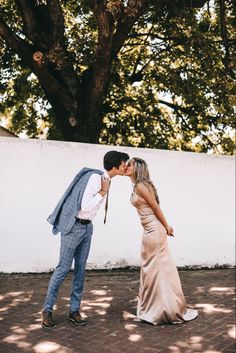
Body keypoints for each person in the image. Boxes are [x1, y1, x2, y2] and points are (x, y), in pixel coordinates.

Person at [41, 150, 129, 328]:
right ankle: (47, 310)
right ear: (115, 165)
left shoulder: (105, 179)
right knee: (63, 269)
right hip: (74, 227)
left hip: (87, 227)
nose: (125, 167)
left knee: (80, 271)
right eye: (123, 164)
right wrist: (103, 192)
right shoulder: (96, 179)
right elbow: (85, 205)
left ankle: (74, 310)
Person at [125, 157, 198, 325]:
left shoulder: (141, 186)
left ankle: (162, 310)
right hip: (149, 230)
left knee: (155, 269)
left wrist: (167, 226)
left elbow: (156, 207)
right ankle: (154, 308)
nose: (126, 166)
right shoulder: (138, 185)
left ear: (138, 168)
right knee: (152, 269)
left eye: (130, 164)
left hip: (154, 231)